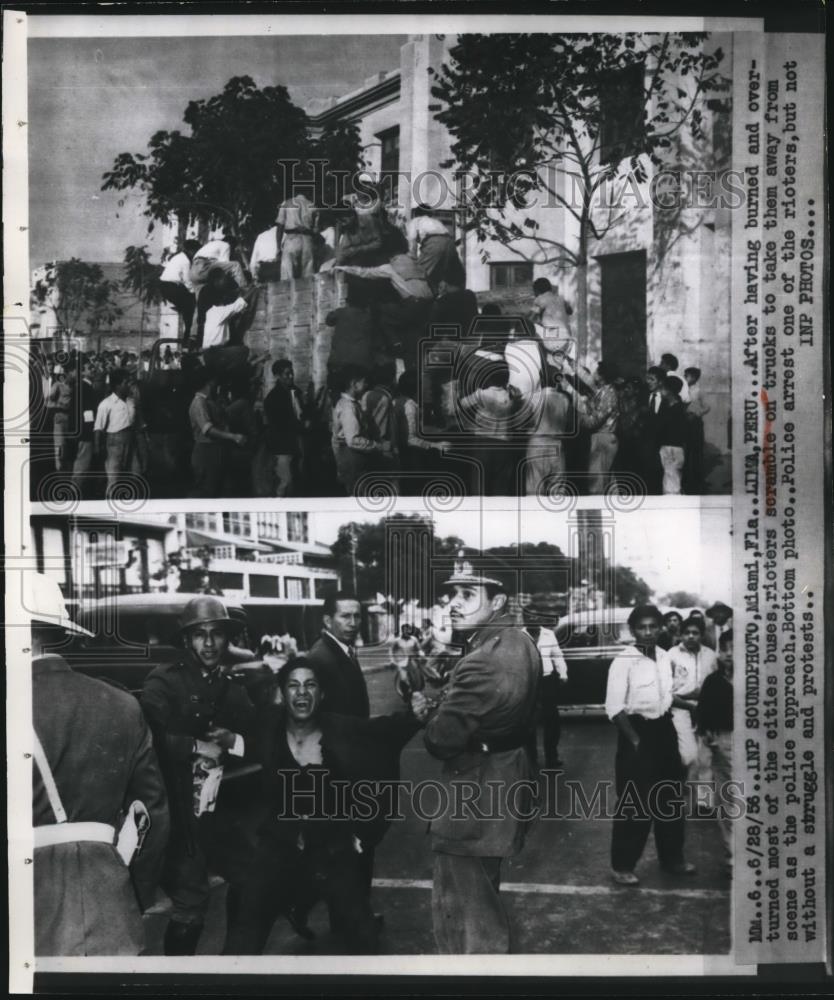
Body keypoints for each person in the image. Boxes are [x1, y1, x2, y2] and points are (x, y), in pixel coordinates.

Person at [222, 658, 421, 954]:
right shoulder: (267, 728)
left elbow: (386, 731)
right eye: (293, 686)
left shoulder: (342, 730)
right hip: (279, 845)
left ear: (322, 694)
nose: (302, 693)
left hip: (332, 848)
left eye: (310, 685)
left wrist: (417, 714)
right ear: (282, 693)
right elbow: (233, 731)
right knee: (246, 929)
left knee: (362, 938)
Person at [29, 573, 169, 956]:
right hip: (113, 909)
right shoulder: (122, 703)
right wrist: (130, 891)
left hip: (30, 914)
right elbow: (151, 817)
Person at [418, 554, 541, 953]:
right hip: (502, 784)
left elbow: (440, 740)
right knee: (482, 900)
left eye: (468, 594)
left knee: (468, 926)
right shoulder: (518, 640)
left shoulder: (484, 660)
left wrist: (429, 710)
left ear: (499, 602)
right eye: (452, 593)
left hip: (474, 801)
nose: (453, 602)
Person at [139, 595, 256, 955]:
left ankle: (233, 966)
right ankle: (177, 981)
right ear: (187, 640)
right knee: (191, 901)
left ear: (226, 638)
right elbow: (146, 738)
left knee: (251, 879)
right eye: (200, 635)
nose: (209, 643)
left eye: (216, 634)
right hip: (178, 813)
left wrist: (233, 741)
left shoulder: (233, 687)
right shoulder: (164, 682)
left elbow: (259, 737)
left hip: (221, 811)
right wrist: (193, 746)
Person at [605, 604, 695, 886]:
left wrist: (694, 706)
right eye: (641, 627)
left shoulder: (664, 656)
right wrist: (636, 742)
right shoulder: (623, 661)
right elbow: (615, 708)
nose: (647, 632)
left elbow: (666, 697)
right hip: (635, 732)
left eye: (652, 627)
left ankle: (672, 860)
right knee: (635, 802)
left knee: (669, 798)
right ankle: (622, 865)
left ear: (660, 629)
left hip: (663, 730)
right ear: (632, 631)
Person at [696, 629, 734, 877]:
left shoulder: (763, 679)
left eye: (736, 648)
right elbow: (703, 713)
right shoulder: (713, 681)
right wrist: (711, 738)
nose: (730, 654)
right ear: (719, 653)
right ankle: (733, 853)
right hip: (724, 741)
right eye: (725, 649)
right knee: (730, 799)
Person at [559, 358, 620, 493]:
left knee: (597, 484)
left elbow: (592, 422)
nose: (592, 375)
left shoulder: (608, 394)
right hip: (602, 438)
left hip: (603, 439)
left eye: (595, 372)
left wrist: (575, 415)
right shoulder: (602, 390)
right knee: (606, 482)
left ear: (601, 376)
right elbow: (585, 377)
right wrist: (569, 361)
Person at [522, 595, 569, 769]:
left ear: (540, 617)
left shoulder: (549, 635)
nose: (531, 619)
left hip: (547, 681)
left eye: (535, 616)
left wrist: (563, 673)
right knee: (529, 722)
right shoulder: (520, 636)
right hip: (528, 682)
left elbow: (557, 655)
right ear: (524, 619)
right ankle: (531, 758)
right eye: (528, 617)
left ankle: (551, 756)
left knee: (552, 722)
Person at [306, 592, 369, 719]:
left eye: (357, 616)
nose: (353, 623)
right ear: (328, 621)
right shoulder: (319, 658)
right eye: (345, 616)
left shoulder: (345, 649)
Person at [668, 616, 718, 771]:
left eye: (695, 633)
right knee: (688, 755)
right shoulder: (672, 654)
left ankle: (698, 791)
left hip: (706, 709)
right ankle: (688, 787)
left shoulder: (710, 655)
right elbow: (665, 690)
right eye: (686, 632)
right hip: (681, 707)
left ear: (702, 635)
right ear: (681, 634)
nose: (690, 636)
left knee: (706, 754)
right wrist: (688, 705)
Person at [188, 366, 247, 498]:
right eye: (215, 381)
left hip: (216, 450)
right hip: (205, 451)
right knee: (205, 491)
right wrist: (233, 437)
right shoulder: (199, 402)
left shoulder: (210, 401)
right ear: (210, 382)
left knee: (217, 488)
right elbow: (208, 429)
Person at [331, 365, 391, 494]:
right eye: (364, 381)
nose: (367, 384)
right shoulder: (348, 408)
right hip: (353, 458)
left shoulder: (351, 404)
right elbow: (353, 440)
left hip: (352, 457)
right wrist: (379, 447)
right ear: (354, 384)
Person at [263, 360, 304, 497]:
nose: (291, 376)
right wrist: (299, 425)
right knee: (285, 481)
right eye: (286, 374)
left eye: (291, 373)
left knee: (298, 478)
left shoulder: (296, 392)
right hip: (282, 446)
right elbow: (279, 424)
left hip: (298, 443)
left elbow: (302, 411)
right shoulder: (273, 398)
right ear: (277, 376)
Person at [406, 205, 465, 295]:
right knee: (448, 272)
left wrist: (412, 262)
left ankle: (419, 297)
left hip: (434, 243)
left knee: (422, 274)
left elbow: (412, 242)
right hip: (449, 242)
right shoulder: (436, 221)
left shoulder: (415, 221)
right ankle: (454, 295)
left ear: (416, 214)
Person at [93, 368, 135, 494]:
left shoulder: (130, 401)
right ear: (117, 385)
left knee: (129, 475)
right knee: (114, 477)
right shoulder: (106, 404)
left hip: (129, 438)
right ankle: (110, 501)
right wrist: (97, 448)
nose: (129, 386)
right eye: (126, 383)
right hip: (114, 441)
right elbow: (98, 428)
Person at [159, 239, 200, 339]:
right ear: (191, 250)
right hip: (171, 286)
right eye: (195, 251)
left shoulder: (179, 257)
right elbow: (187, 280)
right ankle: (188, 334)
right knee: (191, 305)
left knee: (187, 305)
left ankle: (182, 311)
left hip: (164, 285)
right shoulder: (185, 261)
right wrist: (194, 293)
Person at [70, 358, 100, 493]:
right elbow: (87, 412)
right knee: (83, 461)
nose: (93, 370)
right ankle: (74, 490)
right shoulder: (84, 387)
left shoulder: (85, 386)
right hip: (86, 431)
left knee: (85, 461)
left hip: (84, 430)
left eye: (93, 367)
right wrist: (91, 430)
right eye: (89, 368)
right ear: (82, 372)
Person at [656, 374, 688, 495]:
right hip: (665, 446)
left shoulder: (678, 408)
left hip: (674, 447)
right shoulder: (665, 405)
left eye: (663, 388)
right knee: (668, 477)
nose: (660, 391)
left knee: (673, 480)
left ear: (670, 391)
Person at [276, 188, 318, 280]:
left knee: (287, 275)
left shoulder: (287, 203)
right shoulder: (312, 205)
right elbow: (316, 230)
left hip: (292, 239)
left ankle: (288, 293)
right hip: (307, 240)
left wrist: (278, 247)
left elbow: (280, 226)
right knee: (308, 276)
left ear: (294, 191)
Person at [528, 278, 573, 358]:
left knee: (528, 326)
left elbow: (529, 319)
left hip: (554, 342)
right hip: (568, 340)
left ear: (537, 290)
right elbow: (570, 311)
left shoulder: (539, 299)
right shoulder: (560, 298)